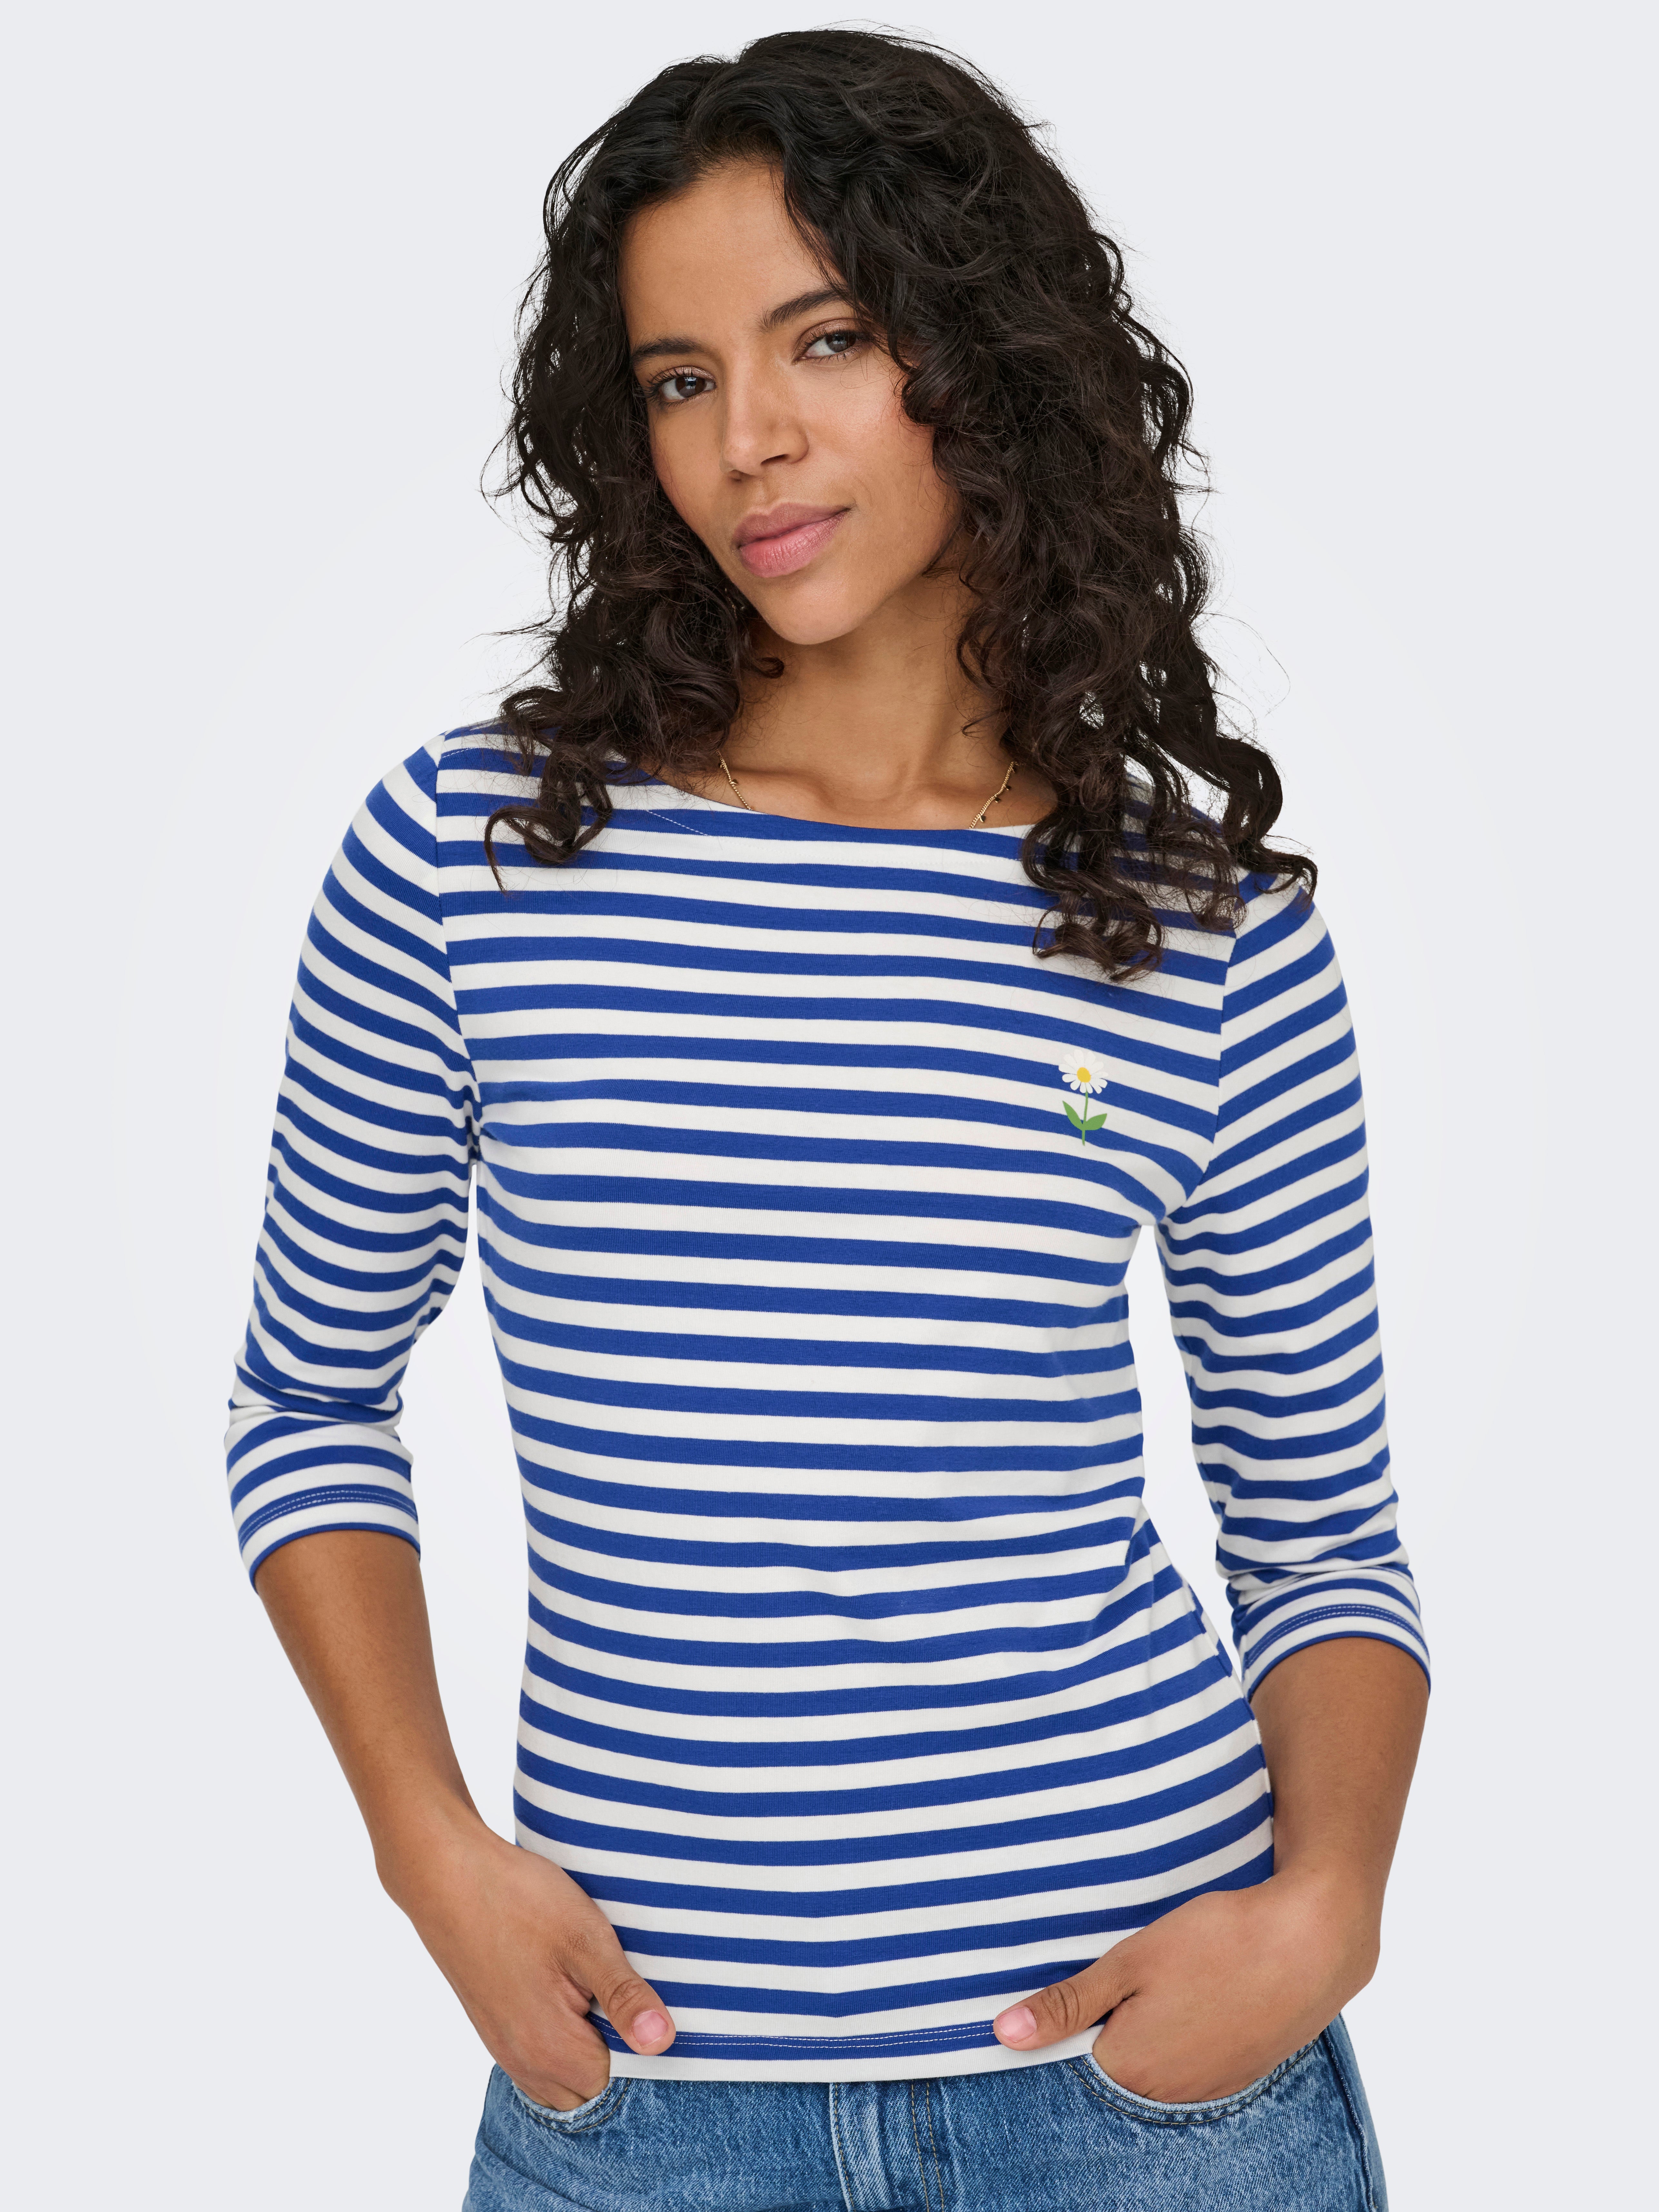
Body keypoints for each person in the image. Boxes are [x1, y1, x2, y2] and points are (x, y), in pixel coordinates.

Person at [226, 29, 1428, 2210]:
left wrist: (1326, 1907)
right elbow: (308, 1402)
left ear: (985, 357)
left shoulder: (1203, 928)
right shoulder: (474, 858)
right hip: (648, 2109)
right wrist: (428, 1853)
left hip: (1149, 2103)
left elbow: (1321, 1529)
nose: (750, 439)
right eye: (680, 378)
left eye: (830, 340)